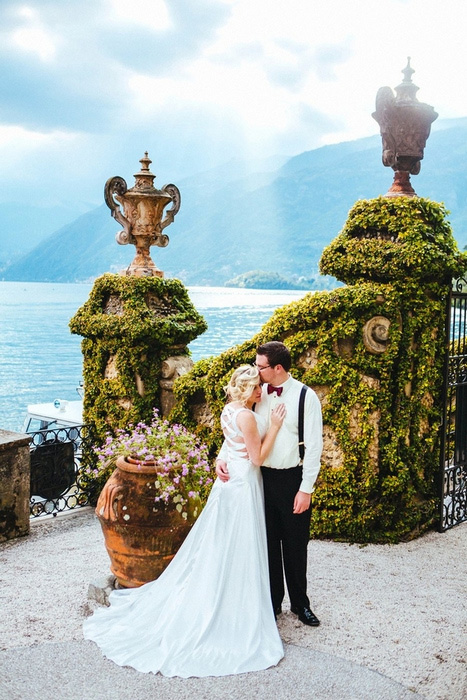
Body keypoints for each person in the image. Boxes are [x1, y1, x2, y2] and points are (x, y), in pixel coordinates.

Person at [83, 365, 286, 677]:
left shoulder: (229, 409)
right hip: (242, 484)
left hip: (230, 481)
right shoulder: (246, 415)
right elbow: (256, 458)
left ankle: (229, 594)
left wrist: (221, 459)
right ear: (247, 390)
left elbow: (231, 445)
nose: (262, 391)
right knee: (239, 541)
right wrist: (273, 426)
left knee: (222, 542)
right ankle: (234, 606)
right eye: (257, 387)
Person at [216, 341, 323, 626]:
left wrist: (306, 488)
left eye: (261, 366)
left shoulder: (305, 396)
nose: (256, 370)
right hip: (261, 479)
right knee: (267, 544)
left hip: (292, 478)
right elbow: (239, 431)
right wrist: (222, 456)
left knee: (296, 545)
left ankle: (301, 605)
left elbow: (314, 448)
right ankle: (272, 602)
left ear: (277, 368)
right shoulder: (256, 392)